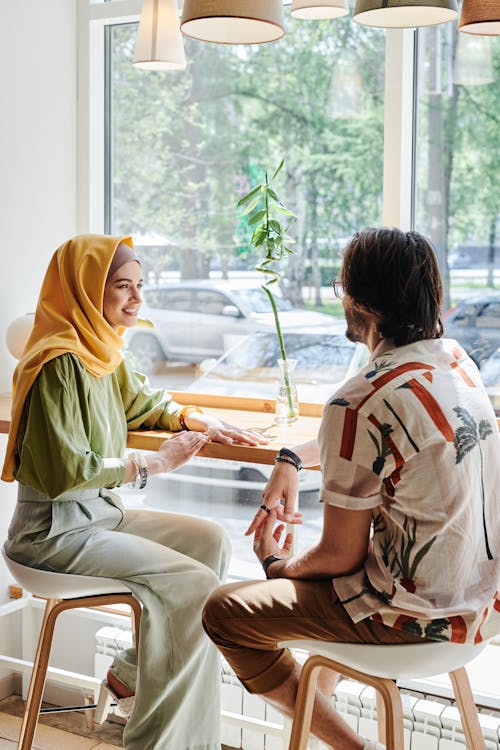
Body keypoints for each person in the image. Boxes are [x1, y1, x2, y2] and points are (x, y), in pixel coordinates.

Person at [202, 227, 500, 750]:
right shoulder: (454, 363)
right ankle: (319, 705)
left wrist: (275, 564)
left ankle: (353, 748)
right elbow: (384, 437)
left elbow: (340, 556)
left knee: (225, 611)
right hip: (481, 611)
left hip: (410, 620)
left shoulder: (359, 399)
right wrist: (292, 457)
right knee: (322, 597)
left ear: (359, 300)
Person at [1, 233, 267, 750]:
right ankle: (156, 742)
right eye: (122, 286)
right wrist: (155, 462)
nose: (137, 299)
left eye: (140, 285)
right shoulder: (56, 362)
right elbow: (65, 470)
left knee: (211, 542)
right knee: (193, 586)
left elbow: (144, 401)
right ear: (83, 291)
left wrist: (193, 417)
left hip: (98, 517)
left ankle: (128, 674)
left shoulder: (102, 352)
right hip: (51, 534)